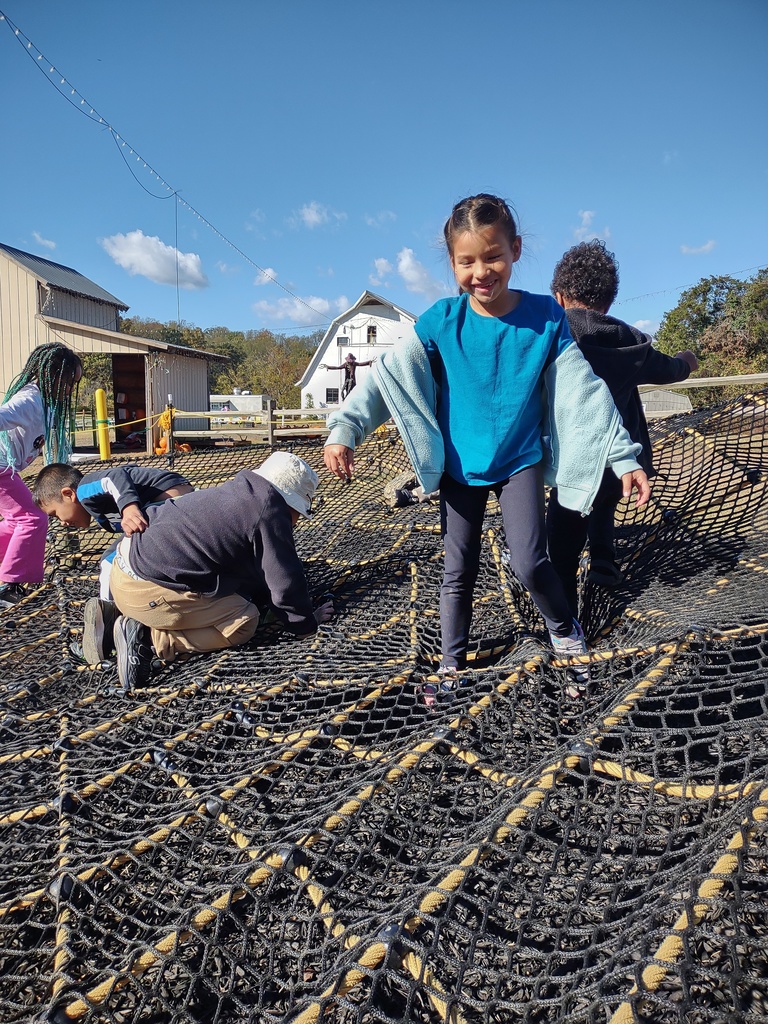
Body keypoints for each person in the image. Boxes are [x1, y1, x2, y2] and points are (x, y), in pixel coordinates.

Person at [323, 193, 650, 699]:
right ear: (452, 262)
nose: (482, 271)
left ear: (515, 249)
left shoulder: (544, 317)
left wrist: (622, 455)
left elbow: (583, 391)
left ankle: (565, 633)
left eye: (493, 255)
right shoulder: (441, 320)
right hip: (459, 466)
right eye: (466, 261)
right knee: (458, 570)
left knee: (529, 562)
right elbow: (389, 376)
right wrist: (347, 428)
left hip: (518, 461)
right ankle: (451, 666)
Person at [82, 451, 334, 688]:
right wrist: (305, 625)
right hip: (147, 591)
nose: (297, 521)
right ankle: (150, 639)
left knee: (232, 592)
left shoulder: (237, 492)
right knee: (244, 621)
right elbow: (283, 581)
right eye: (299, 513)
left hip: (123, 570)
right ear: (290, 502)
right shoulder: (270, 511)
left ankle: (115, 616)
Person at [547, 239, 698, 615]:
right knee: (604, 505)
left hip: (569, 458)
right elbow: (671, 370)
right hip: (620, 459)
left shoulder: (553, 334)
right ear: (610, 301)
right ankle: (603, 561)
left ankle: (565, 611)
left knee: (564, 528)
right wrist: (688, 361)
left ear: (559, 296)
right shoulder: (631, 343)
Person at [33, 460, 194, 621]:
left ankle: (106, 620)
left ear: (68, 494)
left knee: (110, 560)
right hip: (168, 509)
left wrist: (129, 508)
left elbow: (114, 476)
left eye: (55, 513)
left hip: (171, 499)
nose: (62, 522)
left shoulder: (83, 489)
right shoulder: (102, 515)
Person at [0, 342, 82, 609]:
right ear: (53, 377)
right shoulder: (30, 399)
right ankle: (10, 584)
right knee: (32, 517)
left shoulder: (47, 404)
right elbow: (4, 416)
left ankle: (5, 572)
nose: (71, 389)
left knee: (15, 521)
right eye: (69, 382)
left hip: (5, 468)